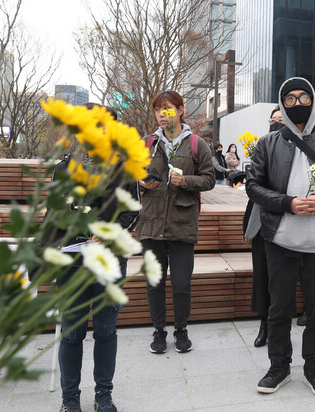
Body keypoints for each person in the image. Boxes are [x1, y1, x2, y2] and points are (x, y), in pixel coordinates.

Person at [246, 77, 315, 396]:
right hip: (279, 239)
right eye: (289, 99)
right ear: (281, 102)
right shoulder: (268, 142)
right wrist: (286, 203)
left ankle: (314, 367)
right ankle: (278, 365)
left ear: (314, 100)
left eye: (303, 97)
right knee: (279, 307)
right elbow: (253, 186)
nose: (296, 104)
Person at [55, 104, 140, 412]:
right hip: (73, 262)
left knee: (105, 331)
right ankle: (70, 399)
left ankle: (104, 394)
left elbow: (133, 210)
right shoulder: (65, 167)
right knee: (72, 332)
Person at [135, 90, 215, 355]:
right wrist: (140, 183)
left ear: (181, 111)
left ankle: (181, 329)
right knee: (154, 283)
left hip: (182, 224)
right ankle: (159, 330)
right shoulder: (147, 144)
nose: (162, 114)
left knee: (181, 283)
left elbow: (210, 179)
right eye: (158, 110)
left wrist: (186, 182)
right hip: (150, 224)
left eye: (168, 109)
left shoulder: (196, 144)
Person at [246, 106, 285, 348]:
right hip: (262, 221)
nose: (277, 124)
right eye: (274, 120)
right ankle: (264, 323)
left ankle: (278, 323)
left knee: (282, 278)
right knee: (261, 275)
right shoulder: (263, 146)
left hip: (289, 222)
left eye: (281, 120)